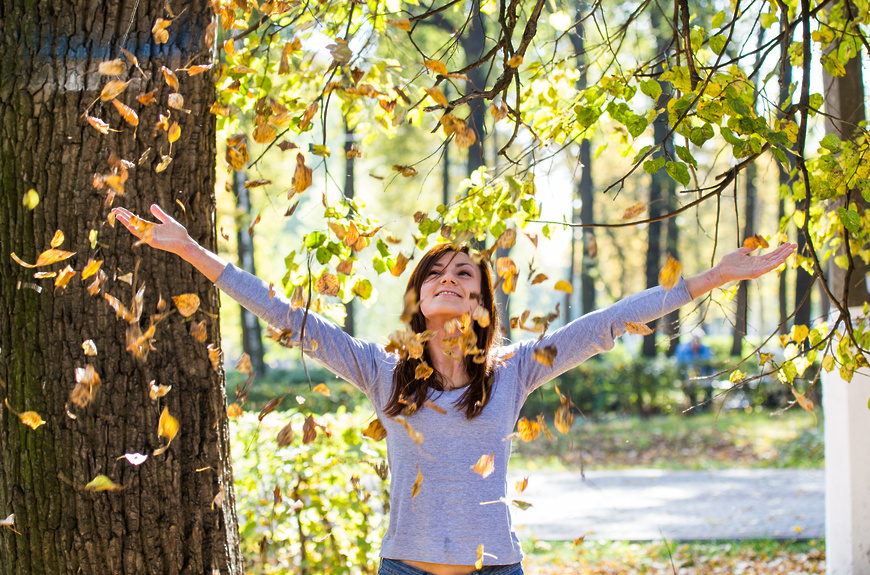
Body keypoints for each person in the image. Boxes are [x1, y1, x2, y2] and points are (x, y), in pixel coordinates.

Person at [113, 204, 796, 575]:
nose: (451, 277)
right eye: (437, 271)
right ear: (416, 297)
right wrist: (192, 253)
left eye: (466, 275)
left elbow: (611, 321)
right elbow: (288, 317)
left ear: (480, 304)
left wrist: (712, 277)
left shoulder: (515, 371)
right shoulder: (383, 374)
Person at [675, 334, 715, 411]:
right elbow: (680, 365)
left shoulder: (705, 349)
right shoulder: (682, 349)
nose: (697, 345)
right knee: (689, 387)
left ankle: (706, 406)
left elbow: (709, 363)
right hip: (688, 376)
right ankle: (693, 406)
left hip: (703, 375)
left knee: (709, 386)